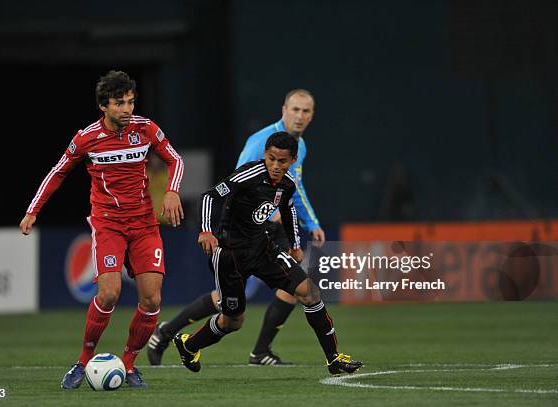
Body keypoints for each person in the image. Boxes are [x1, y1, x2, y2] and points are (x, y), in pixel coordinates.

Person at [19, 70, 184, 389]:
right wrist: (32, 211)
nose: (127, 109)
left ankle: (130, 364)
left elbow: (175, 159)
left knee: (151, 300)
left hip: (144, 224)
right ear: (103, 107)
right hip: (108, 224)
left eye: (131, 102)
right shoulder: (87, 138)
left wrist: (172, 190)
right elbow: (57, 173)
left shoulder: (145, 129)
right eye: (120, 103)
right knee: (108, 293)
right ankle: (82, 361)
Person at [147, 89, 324, 366]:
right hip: (247, 232)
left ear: (312, 115)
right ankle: (167, 332)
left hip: (271, 227)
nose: (300, 116)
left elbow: (294, 191)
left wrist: (310, 222)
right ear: (283, 110)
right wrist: (260, 218)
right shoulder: (260, 142)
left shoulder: (298, 148)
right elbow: (237, 186)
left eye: (306, 111)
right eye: (295, 109)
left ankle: (260, 351)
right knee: (229, 305)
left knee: (294, 288)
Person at [172, 132, 362, 375]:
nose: (275, 165)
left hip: (264, 249)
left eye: (282, 161)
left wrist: (294, 245)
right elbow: (209, 195)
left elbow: (288, 209)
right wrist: (206, 231)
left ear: (292, 160)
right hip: (231, 255)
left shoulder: (288, 183)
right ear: (265, 155)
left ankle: (334, 359)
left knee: (309, 292)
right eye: (271, 158)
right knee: (233, 322)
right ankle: (188, 344)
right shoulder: (249, 174)